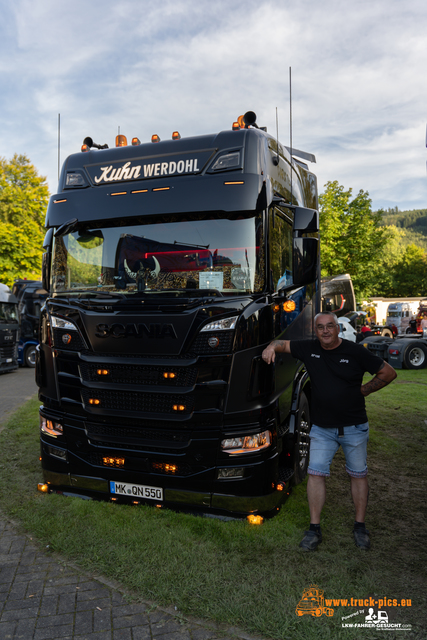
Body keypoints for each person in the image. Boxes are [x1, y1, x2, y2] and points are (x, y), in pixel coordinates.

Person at [262, 311, 396, 551]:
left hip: (354, 427)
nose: (325, 331)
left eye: (330, 326)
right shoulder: (309, 348)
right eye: (320, 327)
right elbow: (282, 344)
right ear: (316, 331)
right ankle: (314, 530)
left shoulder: (355, 351)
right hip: (322, 429)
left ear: (338, 328)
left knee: (358, 475)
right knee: (315, 474)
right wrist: (271, 347)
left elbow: (388, 372)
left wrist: (364, 390)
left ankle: (360, 527)